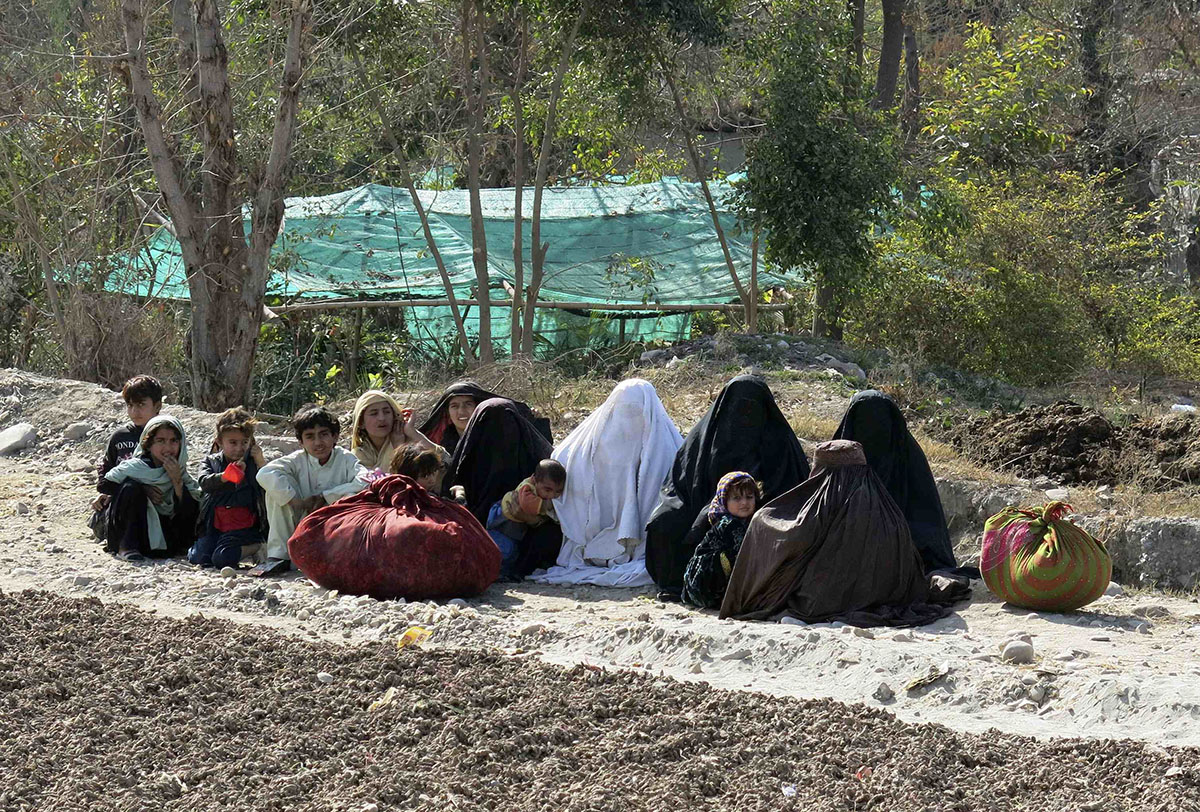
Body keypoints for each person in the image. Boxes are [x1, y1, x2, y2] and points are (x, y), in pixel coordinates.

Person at [720, 440, 951, 627]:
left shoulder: (813, 513)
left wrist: (764, 521)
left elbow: (790, 538)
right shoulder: (891, 513)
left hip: (817, 603)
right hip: (888, 596)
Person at [645, 375, 810, 599]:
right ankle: (681, 584)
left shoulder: (780, 441)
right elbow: (679, 481)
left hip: (760, 509)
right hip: (704, 502)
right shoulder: (705, 435)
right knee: (664, 522)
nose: (744, 417)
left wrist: (759, 506)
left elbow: (794, 489)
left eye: (752, 408)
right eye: (738, 407)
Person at [536, 378, 683, 587]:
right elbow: (563, 456)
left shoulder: (666, 448)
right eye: (624, 410)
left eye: (635, 411)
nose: (629, 418)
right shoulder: (589, 443)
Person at [832, 390, 974, 577]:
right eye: (864, 421)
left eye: (880, 422)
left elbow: (926, 530)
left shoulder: (909, 462)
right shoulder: (838, 461)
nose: (872, 429)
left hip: (904, 555)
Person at [444, 397, 562, 576]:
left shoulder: (539, 465)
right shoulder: (466, 462)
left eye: (508, 426)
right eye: (491, 427)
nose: (501, 433)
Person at [255, 405, 368, 575]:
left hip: (334, 525)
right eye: (310, 436)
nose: (318, 442)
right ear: (301, 441)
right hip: (301, 520)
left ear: (334, 436)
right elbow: (264, 473)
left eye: (323, 434)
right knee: (275, 490)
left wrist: (327, 496)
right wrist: (296, 501)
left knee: (351, 495)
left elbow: (366, 480)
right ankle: (279, 557)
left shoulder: (345, 459)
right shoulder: (297, 460)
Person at [103, 414, 201, 561]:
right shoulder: (135, 466)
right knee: (131, 487)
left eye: (174, 441)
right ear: (148, 444)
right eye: (160, 441)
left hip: (166, 533)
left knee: (192, 499)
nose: (168, 448)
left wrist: (177, 482)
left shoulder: (180, 472)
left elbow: (189, 511)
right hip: (132, 529)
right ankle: (127, 547)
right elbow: (105, 485)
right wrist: (144, 489)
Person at [188, 407, 268, 569]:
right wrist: (225, 477)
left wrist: (260, 462)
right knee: (198, 557)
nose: (239, 448)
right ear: (219, 441)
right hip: (216, 525)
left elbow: (269, 484)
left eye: (244, 442)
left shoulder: (253, 464)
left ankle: (257, 546)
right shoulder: (211, 461)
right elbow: (204, 482)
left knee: (222, 559)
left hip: (244, 527)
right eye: (233, 442)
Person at [91, 375, 164, 533]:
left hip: (159, 504)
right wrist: (106, 493)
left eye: (141, 405)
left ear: (157, 406)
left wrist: (146, 489)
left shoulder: (166, 436)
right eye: (130, 405)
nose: (134, 411)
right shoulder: (120, 437)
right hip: (122, 500)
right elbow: (107, 467)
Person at [681, 472, 760, 610]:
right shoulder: (729, 524)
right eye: (736, 498)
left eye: (749, 497)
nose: (744, 503)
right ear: (724, 500)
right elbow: (744, 556)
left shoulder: (746, 522)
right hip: (704, 585)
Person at [418, 381, 552, 456]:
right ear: (447, 412)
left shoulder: (496, 435)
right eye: (454, 406)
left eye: (468, 404)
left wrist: (535, 422)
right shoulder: (443, 441)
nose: (461, 411)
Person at [486, 459, 566, 580]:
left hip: (516, 529)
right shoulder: (527, 487)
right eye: (548, 490)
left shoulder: (541, 489)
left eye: (558, 492)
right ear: (534, 480)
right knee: (501, 549)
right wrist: (547, 506)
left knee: (512, 552)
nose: (552, 496)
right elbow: (526, 504)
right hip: (502, 522)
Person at [349, 390, 446, 475]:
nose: (382, 418)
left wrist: (412, 433)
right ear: (361, 423)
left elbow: (445, 460)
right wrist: (397, 448)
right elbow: (373, 483)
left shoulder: (410, 441)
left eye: (387, 412)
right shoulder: (359, 454)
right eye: (374, 413)